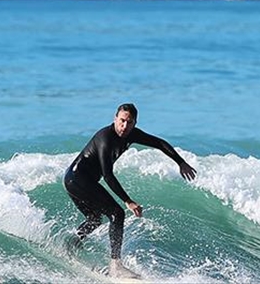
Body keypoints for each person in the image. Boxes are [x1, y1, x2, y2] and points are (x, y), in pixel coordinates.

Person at [63, 103, 197, 280]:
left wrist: (180, 162)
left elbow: (159, 143)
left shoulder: (131, 134)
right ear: (115, 118)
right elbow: (108, 175)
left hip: (78, 180)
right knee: (117, 214)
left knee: (95, 219)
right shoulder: (105, 138)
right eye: (122, 121)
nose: (124, 126)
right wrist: (128, 200)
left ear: (135, 123)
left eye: (129, 122)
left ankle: (71, 245)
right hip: (77, 179)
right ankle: (115, 266)